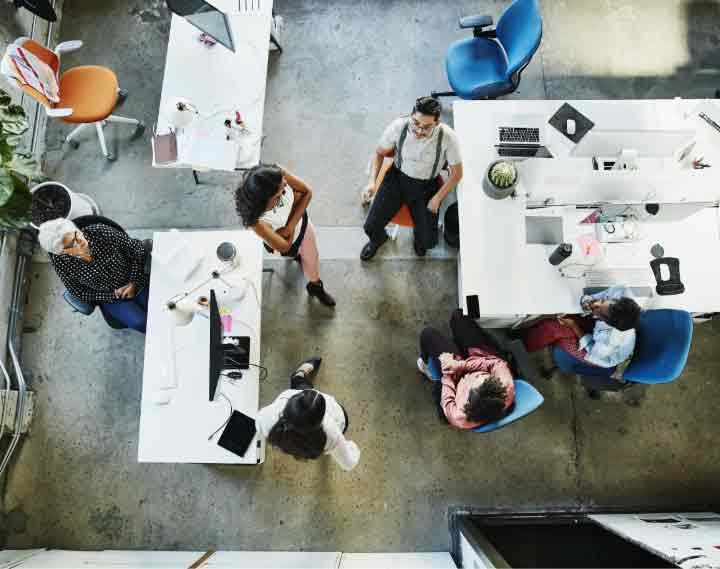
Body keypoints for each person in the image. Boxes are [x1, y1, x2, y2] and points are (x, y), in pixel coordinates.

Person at [235, 164, 335, 307]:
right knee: (293, 253)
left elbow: (307, 192)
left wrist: (288, 229)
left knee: (312, 259)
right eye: (278, 196)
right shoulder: (256, 222)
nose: (284, 191)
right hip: (289, 240)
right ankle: (298, 257)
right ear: (263, 203)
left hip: (303, 227)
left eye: (285, 186)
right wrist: (295, 201)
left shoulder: (277, 174)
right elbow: (284, 246)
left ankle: (315, 286)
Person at [37, 217, 150, 333]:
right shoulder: (60, 261)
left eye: (76, 235)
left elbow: (137, 249)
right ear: (62, 252)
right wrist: (112, 295)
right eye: (71, 245)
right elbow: (78, 291)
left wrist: (133, 282)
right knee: (140, 322)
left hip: (135, 278)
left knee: (158, 308)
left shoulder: (101, 232)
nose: (79, 243)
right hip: (111, 297)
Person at [255, 357, 360, 471]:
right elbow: (349, 463)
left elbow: (259, 426)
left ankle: (301, 372)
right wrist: (350, 446)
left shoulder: (267, 415)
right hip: (322, 440)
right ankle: (300, 374)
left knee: (298, 382)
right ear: (321, 419)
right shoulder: (332, 432)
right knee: (301, 384)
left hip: (310, 444)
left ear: (288, 405)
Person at [418, 310, 515, 429]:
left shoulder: (457, 415)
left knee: (428, 334)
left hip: (454, 378)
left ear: (466, 406)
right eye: (481, 377)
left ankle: (425, 364)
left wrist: (448, 369)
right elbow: (496, 363)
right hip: (478, 359)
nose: (470, 376)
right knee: (459, 316)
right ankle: (461, 350)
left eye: (467, 386)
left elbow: (447, 394)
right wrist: (461, 365)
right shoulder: (505, 387)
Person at [522, 285, 641, 368]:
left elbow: (591, 348)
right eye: (604, 300)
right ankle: (534, 334)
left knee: (553, 329)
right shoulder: (622, 292)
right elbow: (595, 298)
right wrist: (589, 303)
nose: (596, 303)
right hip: (598, 333)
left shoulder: (611, 338)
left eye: (598, 310)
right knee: (563, 313)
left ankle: (523, 344)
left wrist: (573, 325)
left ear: (605, 322)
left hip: (596, 353)